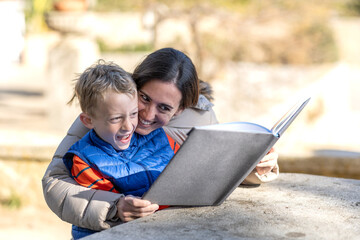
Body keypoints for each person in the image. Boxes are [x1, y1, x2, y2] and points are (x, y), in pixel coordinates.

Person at [42, 48, 279, 233]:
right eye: (144, 98)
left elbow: (214, 173)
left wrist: (253, 167)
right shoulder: (108, 110)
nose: (145, 115)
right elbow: (55, 182)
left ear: (180, 110)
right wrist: (114, 207)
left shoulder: (201, 118)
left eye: (164, 108)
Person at [61, 60, 178, 239]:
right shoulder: (84, 160)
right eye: (116, 118)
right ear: (88, 121)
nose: (128, 126)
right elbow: (117, 208)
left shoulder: (159, 136)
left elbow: (183, 167)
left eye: (133, 114)